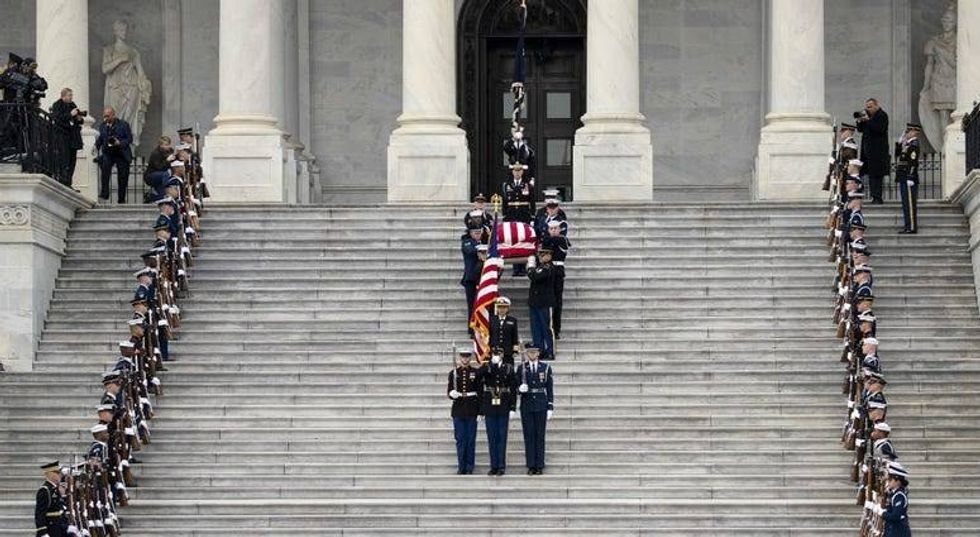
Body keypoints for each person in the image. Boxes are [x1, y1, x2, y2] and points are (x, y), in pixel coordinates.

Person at [478, 349, 517, 476]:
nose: (496, 356)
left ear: (502, 355)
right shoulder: (487, 367)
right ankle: (493, 466)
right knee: (492, 437)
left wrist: (512, 407)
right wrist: (491, 364)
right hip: (490, 405)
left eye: (498, 354)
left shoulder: (508, 368)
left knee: (502, 437)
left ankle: (501, 465)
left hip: (503, 404)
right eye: (494, 354)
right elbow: (478, 376)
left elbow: (513, 388)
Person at [517, 344, 553, 475]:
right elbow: (516, 385)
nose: (532, 355)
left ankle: (540, 464)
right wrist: (519, 390)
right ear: (526, 354)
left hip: (540, 404)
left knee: (539, 436)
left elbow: (549, 388)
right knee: (529, 436)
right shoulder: (521, 368)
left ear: (538, 353)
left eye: (534, 352)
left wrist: (550, 406)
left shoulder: (546, 368)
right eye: (529, 352)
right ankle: (531, 464)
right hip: (527, 405)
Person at [447, 349, 481, 474]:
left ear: (470, 358)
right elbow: (449, 391)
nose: (465, 359)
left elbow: (480, 393)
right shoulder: (454, 373)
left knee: (471, 440)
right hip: (458, 410)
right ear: (460, 358)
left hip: (472, 409)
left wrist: (480, 411)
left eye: (467, 357)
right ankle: (461, 466)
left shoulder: (475, 372)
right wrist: (452, 394)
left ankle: (469, 467)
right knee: (460, 440)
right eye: (463, 357)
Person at [94, 106, 133, 204]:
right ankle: (105, 193)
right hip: (109, 153)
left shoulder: (123, 124)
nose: (105, 118)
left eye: (107, 116)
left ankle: (121, 199)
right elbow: (101, 138)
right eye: (104, 116)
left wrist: (119, 143)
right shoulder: (103, 125)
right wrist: (96, 146)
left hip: (121, 153)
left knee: (123, 177)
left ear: (113, 115)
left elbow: (129, 139)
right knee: (105, 170)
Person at [540, 220, 571, 340]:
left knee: (557, 301)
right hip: (548, 271)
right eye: (551, 229)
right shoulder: (547, 240)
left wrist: (548, 238)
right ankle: (548, 327)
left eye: (555, 228)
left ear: (559, 229)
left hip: (558, 271)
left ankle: (556, 329)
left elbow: (558, 242)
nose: (553, 231)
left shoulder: (562, 239)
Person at [47, 88, 84, 187]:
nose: (71, 97)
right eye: (69, 95)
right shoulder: (57, 105)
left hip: (73, 137)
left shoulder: (73, 105)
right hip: (63, 137)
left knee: (72, 161)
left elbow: (78, 121)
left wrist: (79, 119)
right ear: (63, 96)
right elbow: (57, 119)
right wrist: (70, 115)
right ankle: (63, 182)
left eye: (72, 95)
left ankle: (69, 182)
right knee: (64, 160)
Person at [856, 98, 890, 204]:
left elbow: (880, 129)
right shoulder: (868, 117)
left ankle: (877, 197)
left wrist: (868, 120)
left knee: (876, 175)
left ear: (876, 105)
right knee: (870, 175)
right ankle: (873, 196)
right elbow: (861, 130)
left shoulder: (882, 115)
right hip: (867, 152)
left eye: (870, 107)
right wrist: (859, 121)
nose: (868, 109)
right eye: (867, 107)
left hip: (878, 152)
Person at [503, 162, 534, 276]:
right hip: (512, 216)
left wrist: (532, 216)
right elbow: (505, 202)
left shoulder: (527, 185)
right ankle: (516, 268)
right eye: (515, 171)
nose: (517, 173)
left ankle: (522, 268)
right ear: (512, 172)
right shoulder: (507, 185)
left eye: (519, 171)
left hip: (523, 215)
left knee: (523, 241)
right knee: (514, 241)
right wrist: (505, 216)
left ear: (522, 172)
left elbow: (532, 201)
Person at [528, 247, 557, 360]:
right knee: (536, 328)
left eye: (543, 255)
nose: (540, 257)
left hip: (545, 303)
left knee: (547, 328)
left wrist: (530, 267)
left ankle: (550, 351)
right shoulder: (540, 267)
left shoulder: (548, 267)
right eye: (540, 255)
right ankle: (539, 350)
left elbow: (535, 276)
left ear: (549, 256)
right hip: (535, 302)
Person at [896, 123, 921, 234]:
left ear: (915, 132)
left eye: (909, 132)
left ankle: (911, 227)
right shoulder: (907, 145)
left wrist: (910, 176)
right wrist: (899, 143)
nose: (907, 134)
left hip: (908, 177)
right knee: (905, 203)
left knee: (910, 204)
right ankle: (907, 226)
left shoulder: (914, 145)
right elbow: (898, 155)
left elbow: (913, 162)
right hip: (903, 177)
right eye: (907, 132)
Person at [34, 461, 70, 537]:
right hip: (50, 529)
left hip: (59, 528)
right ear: (50, 474)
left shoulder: (54, 489)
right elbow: (39, 514)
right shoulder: (45, 490)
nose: (60, 475)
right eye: (58, 473)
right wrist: (43, 532)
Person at [879, 463, 912, 537]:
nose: (888, 482)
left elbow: (895, 516)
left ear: (898, 481)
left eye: (890, 479)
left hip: (899, 532)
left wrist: (882, 513)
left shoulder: (899, 496)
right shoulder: (893, 494)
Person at [460, 225, 483, 327]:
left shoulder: (482, 242)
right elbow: (470, 251)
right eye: (476, 233)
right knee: (472, 304)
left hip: (481, 277)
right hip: (471, 278)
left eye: (479, 233)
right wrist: (481, 249)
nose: (478, 235)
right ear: (471, 233)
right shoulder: (467, 242)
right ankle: (472, 327)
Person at [489, 297, 520, 366]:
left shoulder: (512, 320)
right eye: (500, 307)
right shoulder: (492, 320)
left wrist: (515, 350)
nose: (502, 309)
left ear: (508, 309)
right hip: (495, 351)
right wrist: (490, 348)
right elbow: (490, 335)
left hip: (507, 351)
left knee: (508, 370)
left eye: (504, 307)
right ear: (497, 308)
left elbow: (515, 336)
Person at [144, 136, 175, 201]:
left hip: (161, 176)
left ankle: (152, 197)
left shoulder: (170, 152)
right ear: (160, 145)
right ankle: (168, 191)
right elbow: (159, 167)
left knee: (162, 195)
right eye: (165, 145)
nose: (167, 146)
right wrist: (167, 160)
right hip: (151, 175)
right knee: (165, 174)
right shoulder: (156, 153)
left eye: (168, 144)